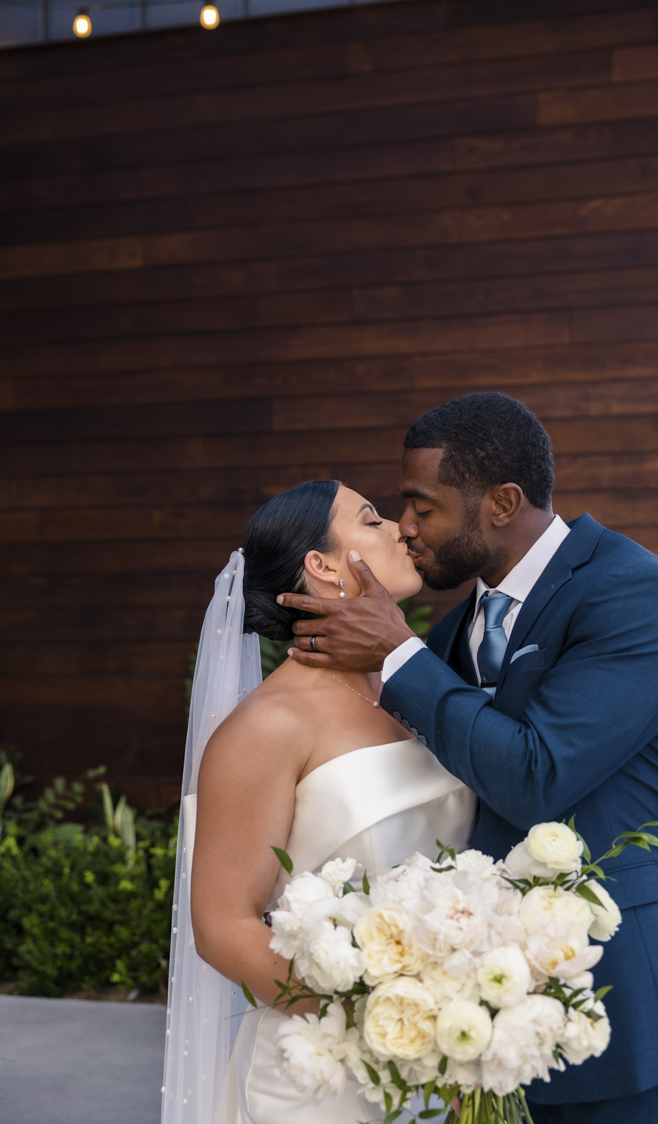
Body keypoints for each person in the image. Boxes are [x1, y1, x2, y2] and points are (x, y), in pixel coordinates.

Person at [279, 392, 658, 1124]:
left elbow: (535, 776)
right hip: (470, 1024)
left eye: (421, 507)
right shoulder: (455, 628)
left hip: (615, 1008)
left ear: (501, 502)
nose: (405, 527)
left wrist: (397, 654)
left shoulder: (632, 591)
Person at [161, 480, 477, 1124]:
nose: (400, 529)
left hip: (434, 1062)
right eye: (372, 518)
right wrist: (378, 1021)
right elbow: (222, 928)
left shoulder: (410, 692)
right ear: (322, 565)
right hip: (323, 1075)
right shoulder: (268, 726)